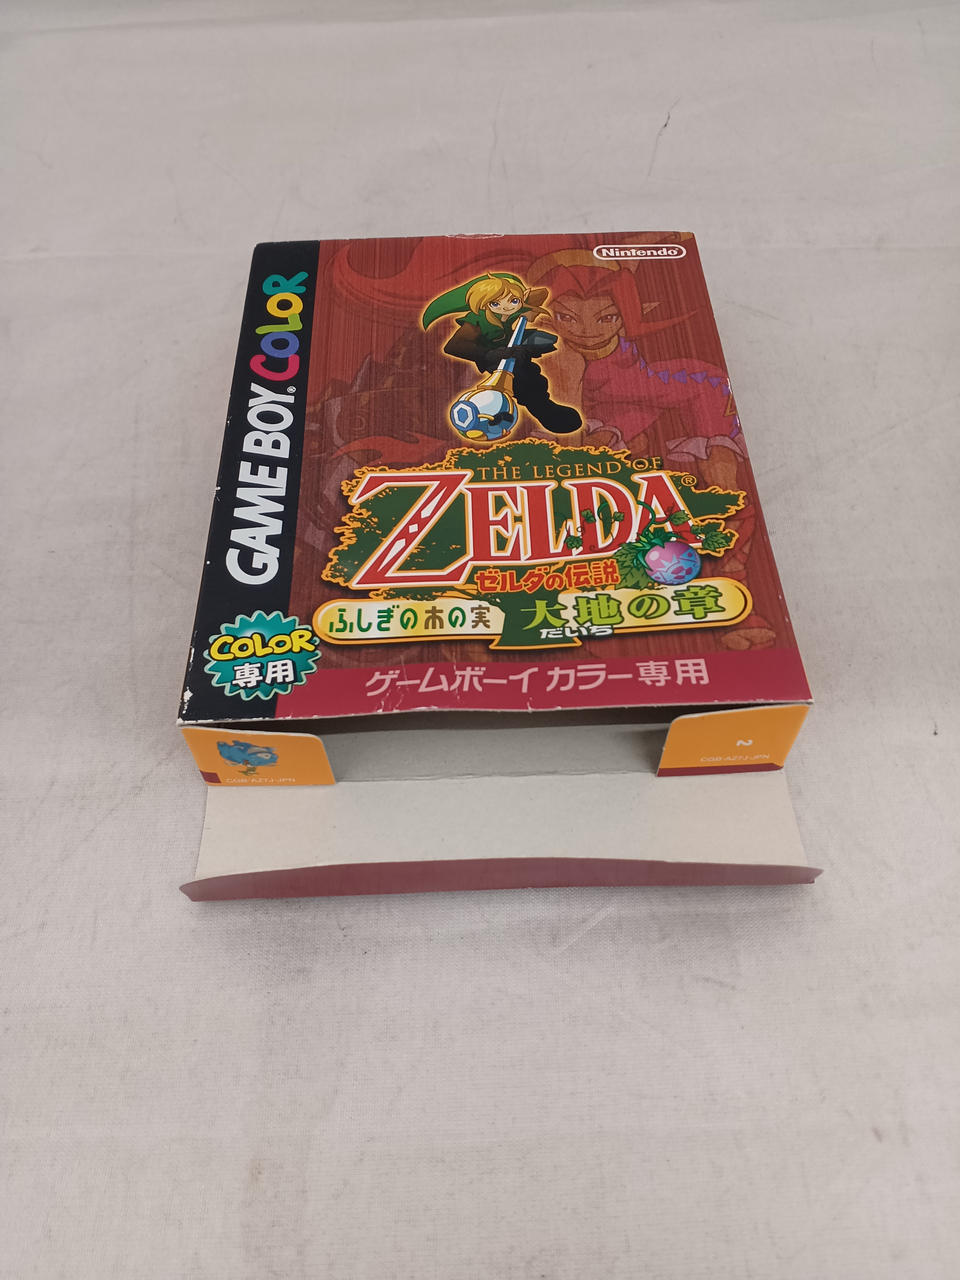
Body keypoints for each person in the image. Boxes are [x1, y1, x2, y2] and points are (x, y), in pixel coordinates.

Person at [422, 272, 582, 434]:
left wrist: (529, 308)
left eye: (513, 301)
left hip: (511, 344)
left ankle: (542, 402)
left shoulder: (508, 312)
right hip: (493, 356)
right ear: (484, 303)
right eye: (495, 303)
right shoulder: (478, 320)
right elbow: (453, 346)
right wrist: (490, 354)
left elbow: (540, 295)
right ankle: (543, 409)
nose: (506, 307)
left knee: (545, 340)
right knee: (523, 377)